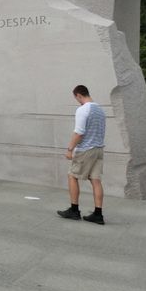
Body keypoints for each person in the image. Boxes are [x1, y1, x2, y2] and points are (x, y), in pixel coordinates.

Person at [57, 85, 106, 225]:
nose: (77, 101)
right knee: (96, 180)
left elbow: (79, 132)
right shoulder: (100, 110)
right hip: (99, 149)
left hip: (86, 150)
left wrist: (70, 149)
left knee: (72, 176)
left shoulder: (83, 109)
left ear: (78, 95)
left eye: (76, 98)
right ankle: (98, 214)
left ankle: (74, 210)